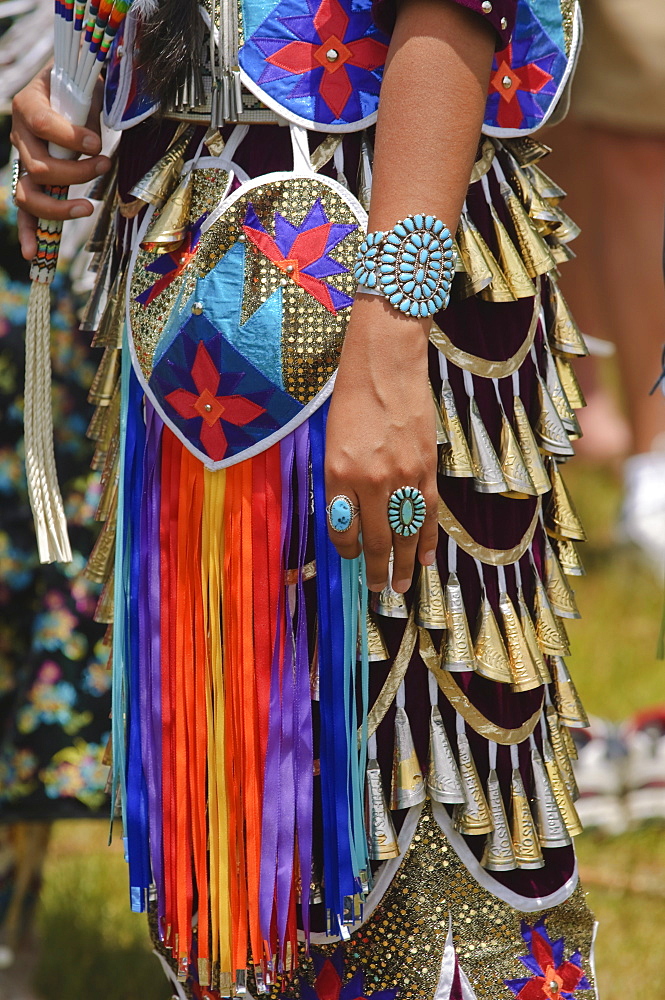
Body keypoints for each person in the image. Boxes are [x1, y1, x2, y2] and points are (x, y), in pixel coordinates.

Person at [11, 0, 599, 997]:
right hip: (192, 253)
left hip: (382, 242)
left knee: (415, 781)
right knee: (246, 836)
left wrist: (394, 319)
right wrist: (92, 72)